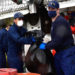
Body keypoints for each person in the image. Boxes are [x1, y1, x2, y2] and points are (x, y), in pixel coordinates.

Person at [39, 1, 75, 75]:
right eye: (49, 8)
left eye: (53, 9)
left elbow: (58, 41)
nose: (50, 10)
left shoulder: (60, 22)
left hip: (67, 53)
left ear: (57, 10)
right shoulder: (54, 22)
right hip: (59, 53)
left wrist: (46, 45)